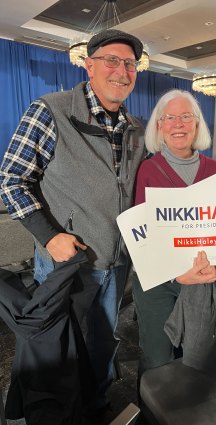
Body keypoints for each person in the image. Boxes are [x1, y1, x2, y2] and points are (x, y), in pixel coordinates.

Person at [0, 29, 145, 418]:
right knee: (62, 348)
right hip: (68, 261)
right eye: (111, 60)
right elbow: (12, 180)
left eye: (130, 63)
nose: (121, 70)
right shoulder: (51, 109)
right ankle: (60, 413)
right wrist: (49, 238)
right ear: (89, 65)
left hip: (117, 262)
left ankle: (95, 405)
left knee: (103, 341)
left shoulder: (136, 127)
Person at [132, 89, 216, 385]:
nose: (178, 124)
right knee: (158, 359)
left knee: (199, 359)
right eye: (170, 117)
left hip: (204, 278)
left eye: (186, 116)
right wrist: (176, 276)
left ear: (197, 125)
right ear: (159, 126)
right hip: (160, 283)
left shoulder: (214, 170)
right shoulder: (147, 170)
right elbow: (142, 238)